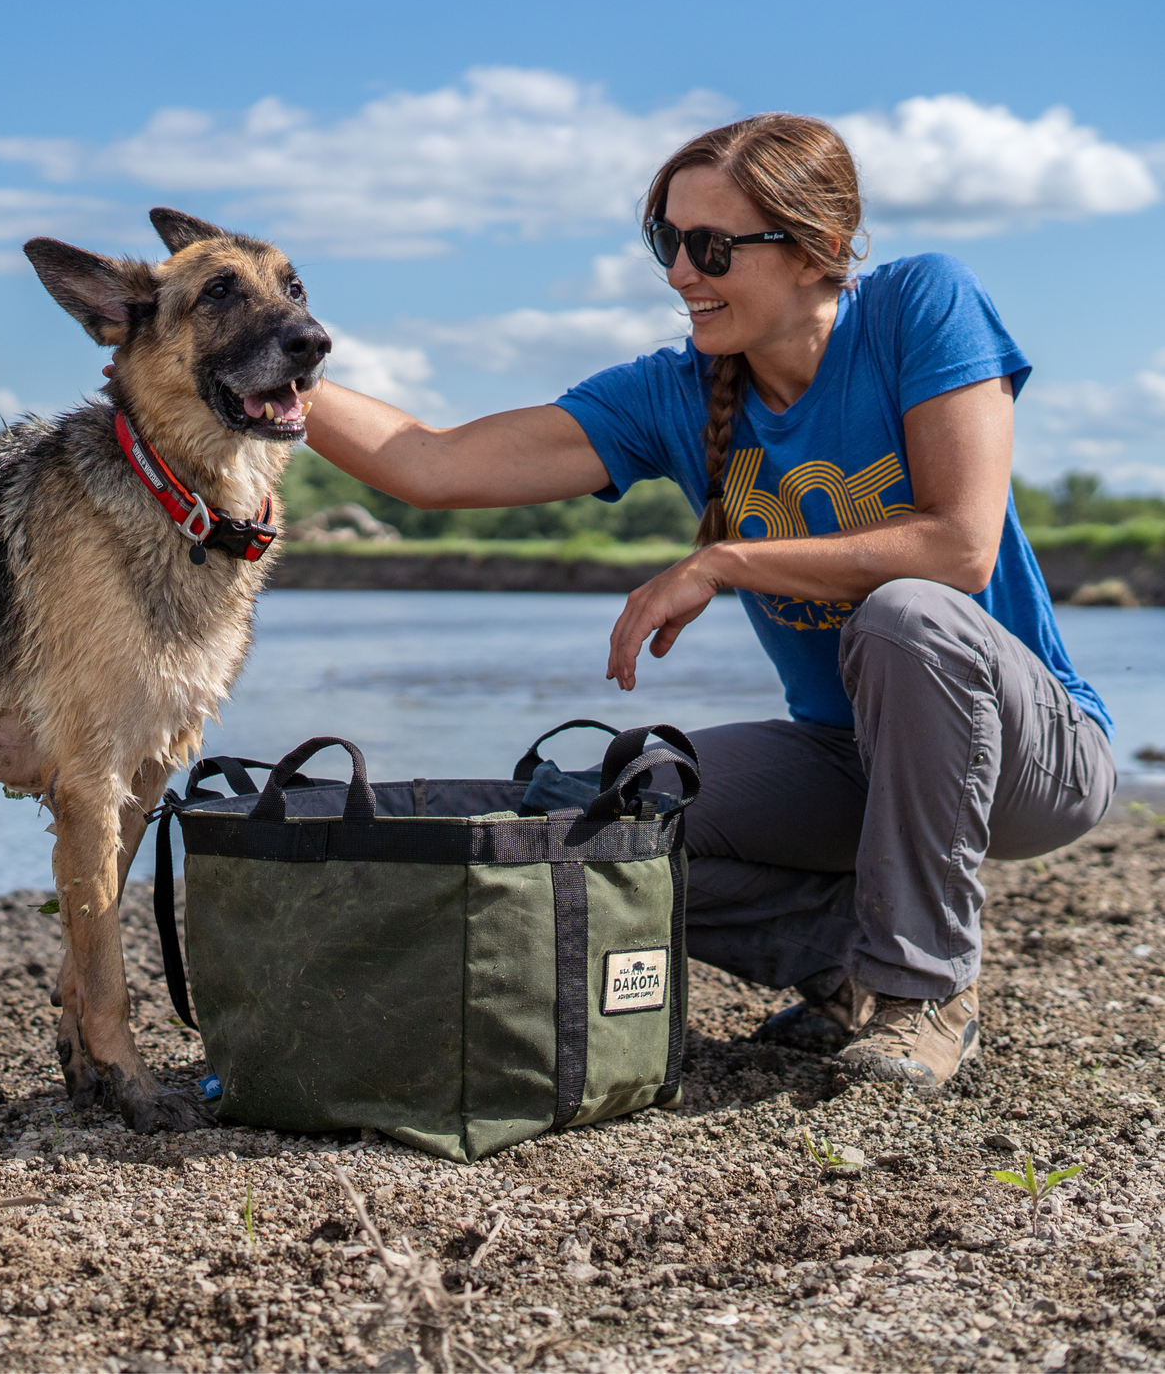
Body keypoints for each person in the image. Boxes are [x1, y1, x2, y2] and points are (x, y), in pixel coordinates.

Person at [207, 114, 1118, 1086]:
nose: (680, 272)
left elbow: (959, 546)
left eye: (711, 246)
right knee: (605, 814)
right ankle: (844, 963)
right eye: (666, 242)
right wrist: (253, 363)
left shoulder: (918, 305)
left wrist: (724, 561)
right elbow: (428, 463)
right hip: (849, 757)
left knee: (907, 614)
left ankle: (921, 990)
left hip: (1030, 754)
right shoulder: (672, 392)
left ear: (813, 247)